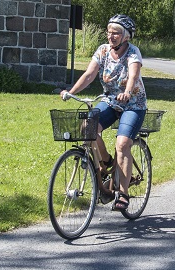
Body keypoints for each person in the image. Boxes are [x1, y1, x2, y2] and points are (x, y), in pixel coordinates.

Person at [60, 14, 146, 213]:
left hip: (133, 104)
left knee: (123, 143)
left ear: (126, 36)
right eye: (109, 32)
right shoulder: (103, 51)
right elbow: (89, 75)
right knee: (87, 127)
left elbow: (133, 75)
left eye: (116, 33)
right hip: (110, 101)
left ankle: (123, 194)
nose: (111, 36)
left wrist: (127, 91)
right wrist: (71, 92)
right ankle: (106, 161)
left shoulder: (133, 52)